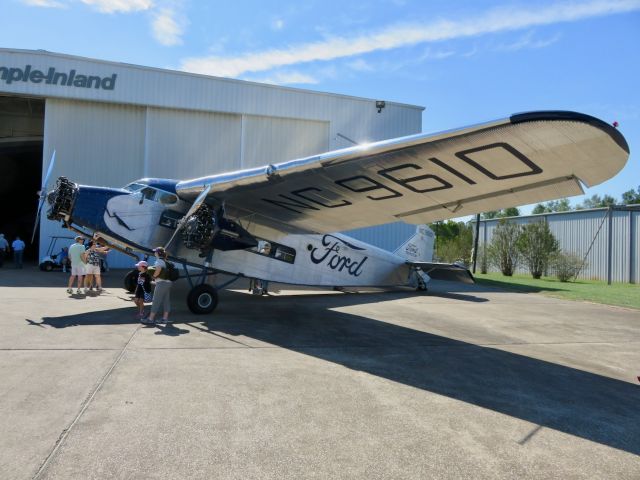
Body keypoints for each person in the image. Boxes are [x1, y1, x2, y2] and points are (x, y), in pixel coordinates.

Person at [141, 247, 172, 325]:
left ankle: (150, 319)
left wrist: (154, 277)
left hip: (162, 283)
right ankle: (165, 318)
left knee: (156, 301)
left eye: (155, 252)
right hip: (168, 283)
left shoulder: (159, 261)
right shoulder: (165, 261)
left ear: (158, 253)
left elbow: (158, 270)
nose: (154, 253)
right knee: (166, 300)